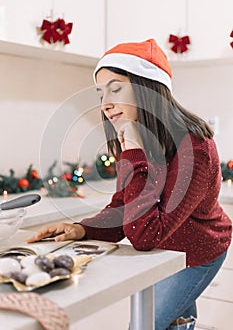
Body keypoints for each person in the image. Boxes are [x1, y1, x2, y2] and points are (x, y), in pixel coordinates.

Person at [28, 39, 232, 330]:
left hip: (198, 253)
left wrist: (133, 153)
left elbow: (146, 234)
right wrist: (83, 228)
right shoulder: (137, 137)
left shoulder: (194, 148)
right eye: (100, 93)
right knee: (174, 323)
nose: (105, 103)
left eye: (115, 88)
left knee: (142, 326)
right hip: (165, 251)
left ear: (147, 87)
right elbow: (123, 208)